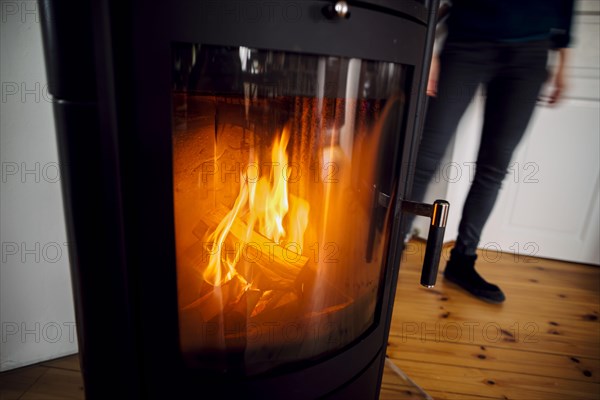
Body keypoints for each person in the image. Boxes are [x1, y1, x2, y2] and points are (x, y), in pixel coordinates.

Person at [409, 0, 575, 303]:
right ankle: (384, 256)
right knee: (424, 158)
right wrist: (427, 43)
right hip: (466, 44)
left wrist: (564, 60)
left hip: (530, 53)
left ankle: (462, 261)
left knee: (494, 166)